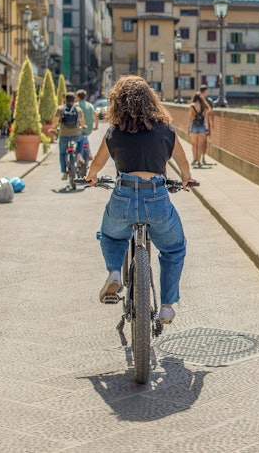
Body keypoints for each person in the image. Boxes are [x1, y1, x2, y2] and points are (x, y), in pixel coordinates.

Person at [85, 75, 196, 324]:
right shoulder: (166, 130)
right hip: (156, 197)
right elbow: (183, 163)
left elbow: (97, 164)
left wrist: (91, 177)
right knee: (173, 248)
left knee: (111, 235)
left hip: (123, 195)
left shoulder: (114, 132)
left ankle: (115, 272)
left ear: (118, 102)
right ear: (151, 100)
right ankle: (166, 307)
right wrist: (186, 179)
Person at [52, 92, 87, 181]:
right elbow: (82, 122)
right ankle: (79, 155)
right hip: (75, 134)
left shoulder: (60, 109)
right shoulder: (78, 109)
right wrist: (83, 126)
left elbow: (55, 121)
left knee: (62, 153)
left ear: (65, 100)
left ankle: (64, 172)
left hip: (63, 135)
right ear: (74, 100)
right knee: (82, 139)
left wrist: (53, 128)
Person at [187, 91, 210, 168]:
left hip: (194, 127)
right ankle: (199, 161)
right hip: (202, 127)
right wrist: (207, 129)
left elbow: (189, 118)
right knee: (200, 145)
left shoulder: (192, 106)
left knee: (194, 144)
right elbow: (206, 119)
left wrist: (188, 128)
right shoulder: (204, 107)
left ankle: (194, 159)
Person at [75, 89, 98, 161]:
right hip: (89, 128)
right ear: (85, 97)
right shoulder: (90, 105)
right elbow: (96, 116)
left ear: (77, 97)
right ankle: (88, 151)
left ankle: (79, 155)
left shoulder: (76, 105)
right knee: (85, 137)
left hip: (78, 128)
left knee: (79, 139)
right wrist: (96, 126)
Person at [199, 84, 213, 165]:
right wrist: (211, 124)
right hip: (205, 125)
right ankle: (202, 157)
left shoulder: (196, 100)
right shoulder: (208, 101)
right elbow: (211, 113)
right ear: (205, 91)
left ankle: (199, 158)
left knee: (200, 142)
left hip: (197, 125)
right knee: (204, 142)